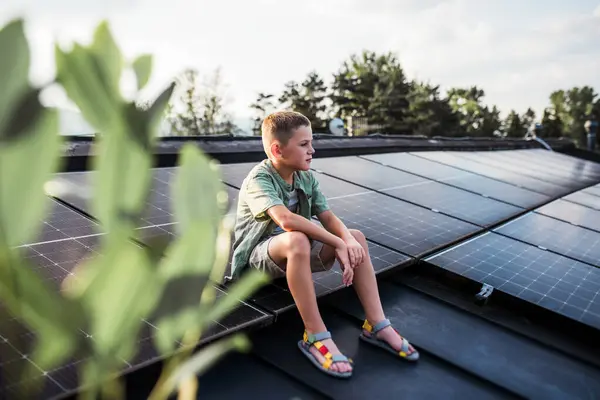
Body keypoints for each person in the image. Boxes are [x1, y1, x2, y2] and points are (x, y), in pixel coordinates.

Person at [230, 111, 418, 378]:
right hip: (259, 260)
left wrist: (348, 241)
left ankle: (376, 324)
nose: (312, 150)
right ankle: (315, 335)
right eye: (304, 144)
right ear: (277, 149)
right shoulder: (259, 180)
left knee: (358, 238)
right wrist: (336, 243)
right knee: (297, 239)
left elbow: (328, 217)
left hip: (296, 252)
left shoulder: (305, 178)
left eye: (311, 143)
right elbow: (285, 220)